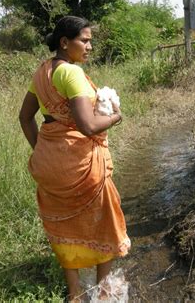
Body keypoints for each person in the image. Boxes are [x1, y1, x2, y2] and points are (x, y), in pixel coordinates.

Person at [18, 16, 130, 302]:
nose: (89, 46)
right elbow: (88, 126)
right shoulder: (72, 74)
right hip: (81, 162)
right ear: (65, 42)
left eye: (90, 40)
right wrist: (116, 116)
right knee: (104, 218)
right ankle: (104, 291)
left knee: (64, 225)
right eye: (84, 40)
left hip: (49, 162)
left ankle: (75, 294)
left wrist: (41, 150)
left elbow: (25, 117)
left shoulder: (42, 71)